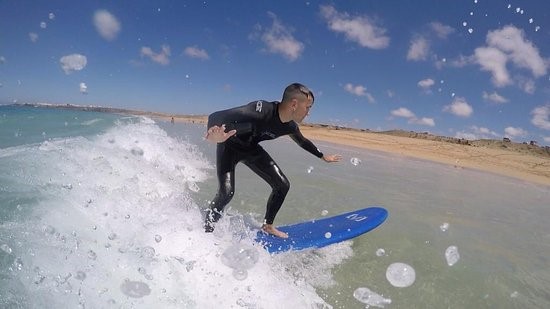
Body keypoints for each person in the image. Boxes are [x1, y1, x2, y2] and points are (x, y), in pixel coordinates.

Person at [204, 83, 341, 238]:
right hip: (228, 146)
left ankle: (268, 226)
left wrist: (322, 156)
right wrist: (213, 134)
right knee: (226, 193)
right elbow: (215, 116)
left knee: (282, 185)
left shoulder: (289, 126)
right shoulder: (261, 110)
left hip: (251, 149)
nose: (308, 113)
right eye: (308, 107)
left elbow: (302, 141)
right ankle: (207, 231)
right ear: (294, 104)